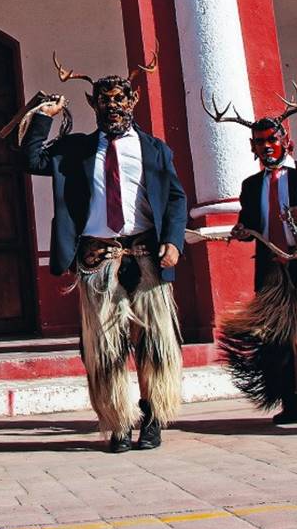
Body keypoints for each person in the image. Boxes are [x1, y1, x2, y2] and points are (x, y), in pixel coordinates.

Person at [21, 53, 186, 453]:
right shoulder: (74, 150)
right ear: (92, 104)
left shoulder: (155, 150)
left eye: (119, 100)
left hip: (145, 254)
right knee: (106, 347)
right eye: (104, 100)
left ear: (133, 101)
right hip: (99, 258)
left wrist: (174, 242)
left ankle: (152, 417)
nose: (112, 107)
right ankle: (117, 422)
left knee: (153, 342)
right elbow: (31, 160)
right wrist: (43, 117)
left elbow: (175, 197)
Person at [203, 73, 297, 423]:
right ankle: (294, 403)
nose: (266, 146)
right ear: (253, 147)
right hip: (276, 272)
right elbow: (250, 222)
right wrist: (243, 230)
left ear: (285, 140)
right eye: (260, 142)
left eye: (272, 139)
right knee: (277, 339)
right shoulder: (251, 185)